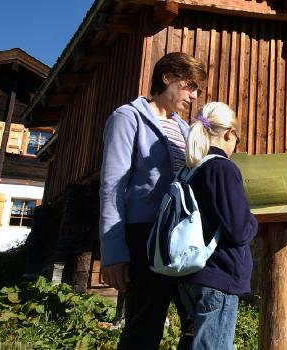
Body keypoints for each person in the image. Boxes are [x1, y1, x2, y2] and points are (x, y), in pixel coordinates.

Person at [99, 52, 207, 349]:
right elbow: (112, 187)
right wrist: (113, 252)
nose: (194, 96)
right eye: (190, 86)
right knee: (144, 328)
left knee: (196, 324)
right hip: (144, 236)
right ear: (167, 77)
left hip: (180, 238)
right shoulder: (127, 117)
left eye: (197, 90)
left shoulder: (186, 130)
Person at [178, 101, 258, 349]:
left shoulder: (189, 170)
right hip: (218, 278)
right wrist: (253, 219)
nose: (236, 146)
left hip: (189, 277)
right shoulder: (222, 168)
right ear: (228, 133)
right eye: (238, 139)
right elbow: (239, 229)